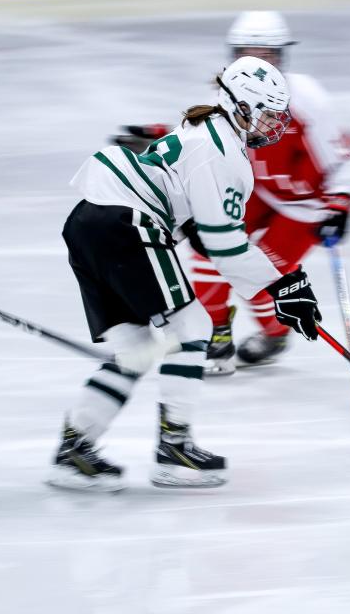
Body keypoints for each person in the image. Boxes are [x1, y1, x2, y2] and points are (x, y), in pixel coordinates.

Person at [54, 56, 322, 492]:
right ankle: (174, 450)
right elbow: (225, 245)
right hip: (127, 225)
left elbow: (192, 211)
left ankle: (72, 452)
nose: (275, 124)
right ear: (242, 107)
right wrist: (284, 285)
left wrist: (200, 232)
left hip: (90, 221)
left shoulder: (203, 127)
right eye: (269, 113)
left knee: (136, 352)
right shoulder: (225, 151)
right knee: (194, 327)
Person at [114, 12, 350, 375]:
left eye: (267, 55)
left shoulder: (307, 99)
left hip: (305, 204)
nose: (257, 63)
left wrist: (341, 201)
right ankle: (218, 335)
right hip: (256, 189)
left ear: (283, 57)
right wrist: (161, 135)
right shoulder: (230, 89)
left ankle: (274, 334)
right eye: (247, 52)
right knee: (210, 249)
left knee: (261, 274)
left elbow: (343, 153)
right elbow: (206, 133)